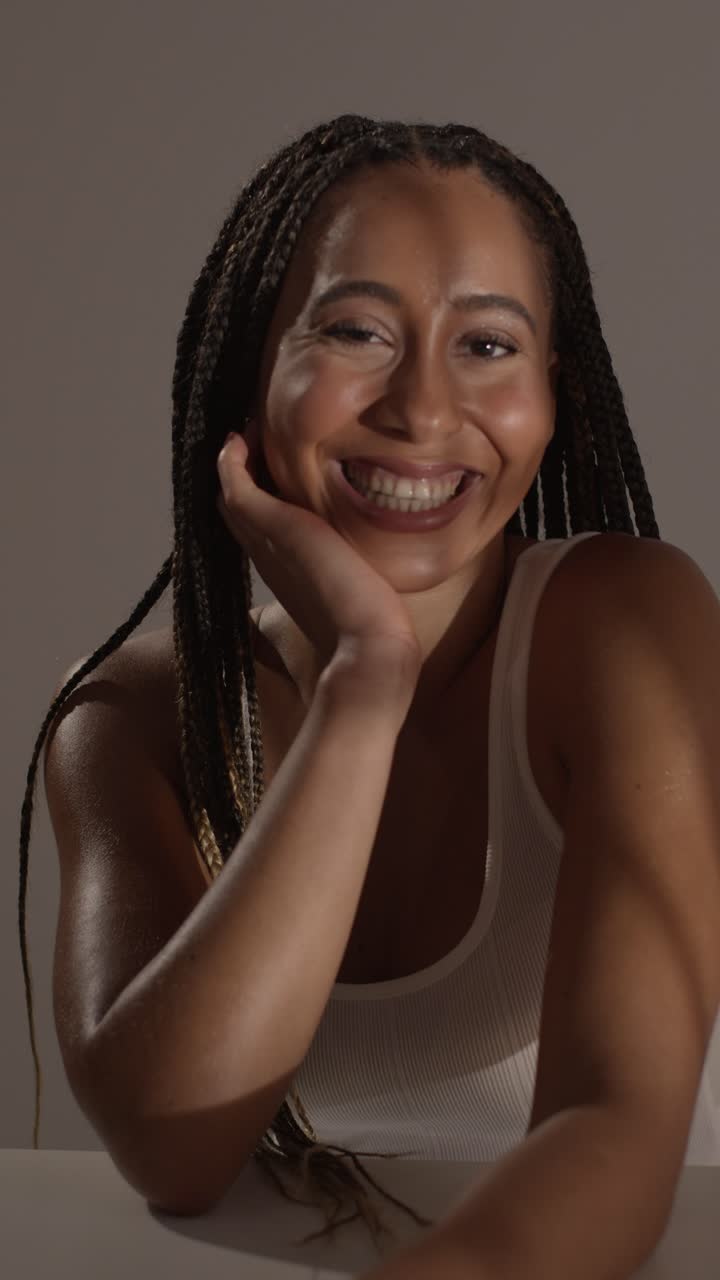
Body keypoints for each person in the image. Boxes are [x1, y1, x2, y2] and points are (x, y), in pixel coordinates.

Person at [22, 114, 712, 1259]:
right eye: (355, 331)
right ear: (249, 366)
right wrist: (366, 676)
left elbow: (618, 1124)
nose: (424, 411)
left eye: (488, 345)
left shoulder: (628, 623)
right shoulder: (129, 717)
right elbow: (172, 1150)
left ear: (555, 393)